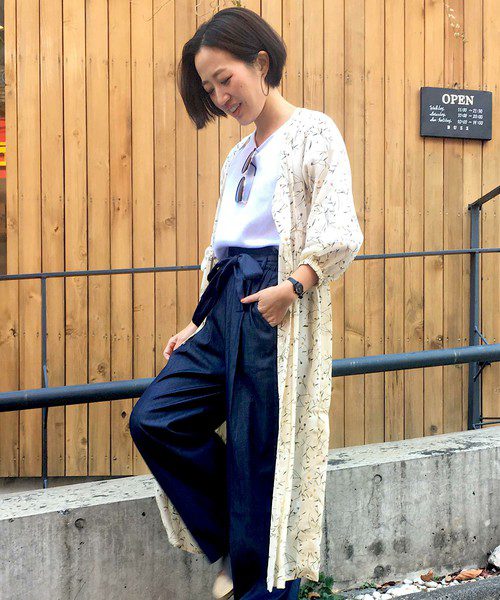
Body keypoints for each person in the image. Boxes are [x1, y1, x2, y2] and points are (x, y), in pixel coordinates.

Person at [129, 7, 363, 600]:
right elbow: (221, 249)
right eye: (209, 88)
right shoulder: (238, 156)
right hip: (225, 302)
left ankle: (263, 587)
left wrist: (296, 285)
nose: (219, 96)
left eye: (224, 79)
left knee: (261, 453)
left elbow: (340, 227)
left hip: (273, 299)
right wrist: (198, 321)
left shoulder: (313, 132)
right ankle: (235, 539)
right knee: (156, 418)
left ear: (261, 63)